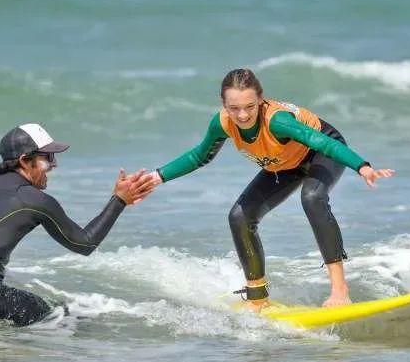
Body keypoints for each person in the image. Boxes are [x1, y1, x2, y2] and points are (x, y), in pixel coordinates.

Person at [147, 68, 394, 310]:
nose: (242, 115)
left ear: (260, 100)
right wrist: (156, 177)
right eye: (234, 108)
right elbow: (199, 156)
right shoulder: (222, 123)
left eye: (249, 107)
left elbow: (322, 142)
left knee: (312, 197)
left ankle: (340, 291)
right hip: (284, 162)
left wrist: (362, 167)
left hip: (321, 151)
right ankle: (257, 297)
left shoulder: (277, 121)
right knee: (240, 216)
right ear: (223, 104)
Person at [0, 123, 153, 326]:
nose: (54, 165)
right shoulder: (34, 200)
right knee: (66, 318)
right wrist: (119, 200)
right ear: (24, 160)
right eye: (48, 157)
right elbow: (84, 244)